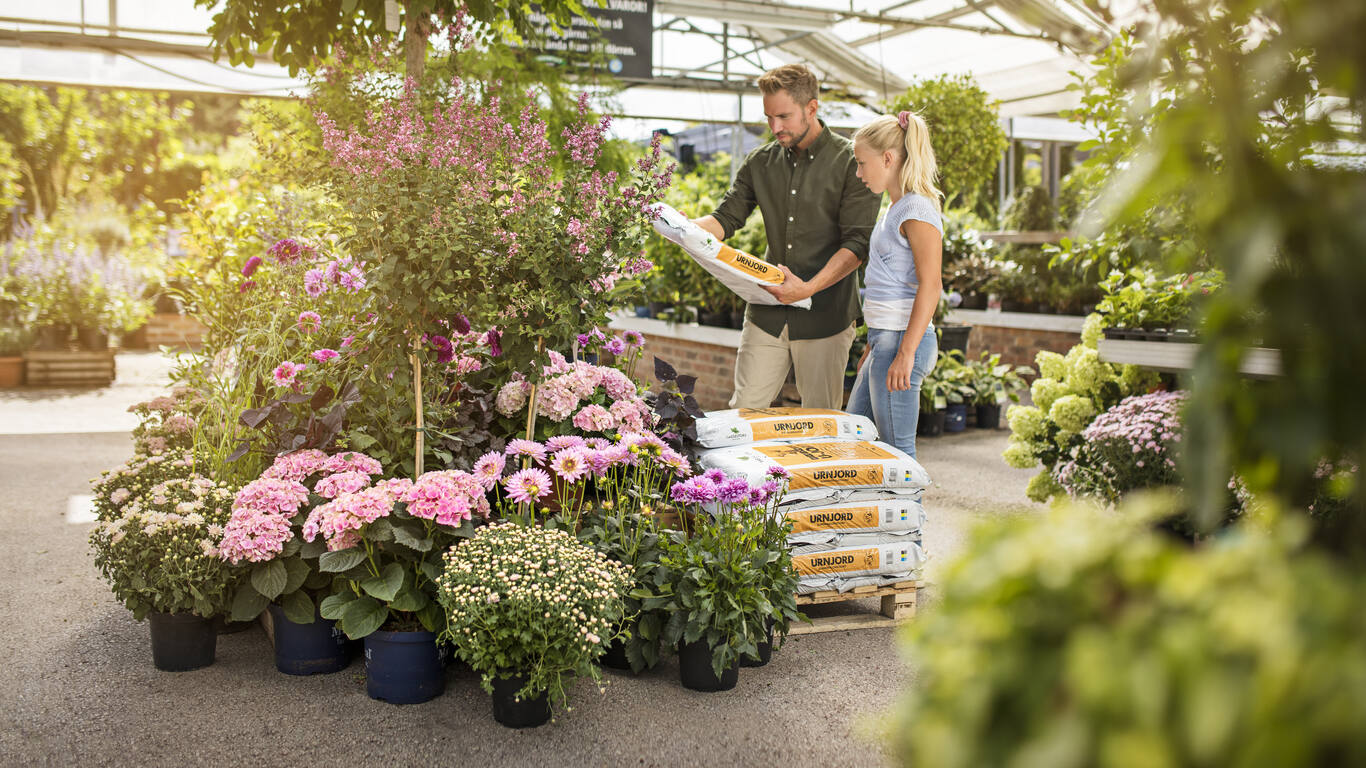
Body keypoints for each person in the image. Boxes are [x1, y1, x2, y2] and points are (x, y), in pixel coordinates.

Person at [692, 64, 880, 410]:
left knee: (821, 422)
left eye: (784, 116)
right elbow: (725, 218)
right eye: (768, 118)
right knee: (743, 413)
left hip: (826, 315)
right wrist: (679, 227)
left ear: (812, 107)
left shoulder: (851, 163)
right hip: (767, 311)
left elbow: (857, 245)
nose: (775, 127)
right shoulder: (760, 163)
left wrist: (806, 288)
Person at [840, 110, 944, 458]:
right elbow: (890, 280)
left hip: (902, 341)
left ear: (887, 158)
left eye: (861, 163)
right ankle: (869, 513)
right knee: (853, 442)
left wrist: (906, 353)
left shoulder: (916, 209)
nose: (858, 173)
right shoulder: (897, 208)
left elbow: (931, 285)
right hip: (885, 340)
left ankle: (909, 513)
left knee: (897, 453)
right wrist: (873, 343)